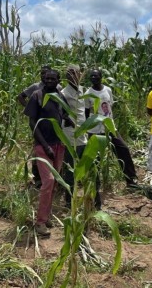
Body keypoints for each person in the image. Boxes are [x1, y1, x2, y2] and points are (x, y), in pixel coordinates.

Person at [23, 69, 73, 237]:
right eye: (47, 78)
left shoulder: (59, 95)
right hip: (43, 146)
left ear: (58, 80)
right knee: (48, 182)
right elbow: (32, 122)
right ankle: (40, 222)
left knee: (55, 183)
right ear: (43, 78)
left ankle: (47, 214)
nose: (49, 80)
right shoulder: (37, 96)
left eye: (53, 78)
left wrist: (68, 119)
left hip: (58, 144)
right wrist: (45, 146)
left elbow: (62, 111)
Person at [84, 69, 139, 189]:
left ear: (101, 77)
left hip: (110, 126)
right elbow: (86, 112)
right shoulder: (88, 93)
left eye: (96, 76)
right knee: (95, 158)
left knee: (123, 149)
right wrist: (86, 128)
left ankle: (131, 180)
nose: (94, 78)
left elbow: (110, 105)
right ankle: (94, 184)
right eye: (91, 76)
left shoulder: (107, 89)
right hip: (95, 130)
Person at [18, 64, 62, 188]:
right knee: (39, 151)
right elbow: (20, 96)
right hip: (38, 124)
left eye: (47, 74)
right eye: (42, 74)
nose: (45, 77)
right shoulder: (36, 89)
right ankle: (38, 178)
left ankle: (54, 181)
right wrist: (31, 109)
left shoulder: (57, 88)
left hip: (53, 130)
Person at [60, 65, 88, 207]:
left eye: (75, 73)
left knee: (84, 165)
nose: (72, 76)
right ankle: (69, 199)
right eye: (69, 74)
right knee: (70, 167)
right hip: (70, 134)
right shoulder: (64, 93)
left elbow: (86, 110)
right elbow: (61, 112)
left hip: (83, 133)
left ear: (80, 74)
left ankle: (85, 195)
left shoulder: (83, 90)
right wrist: (69, 121)